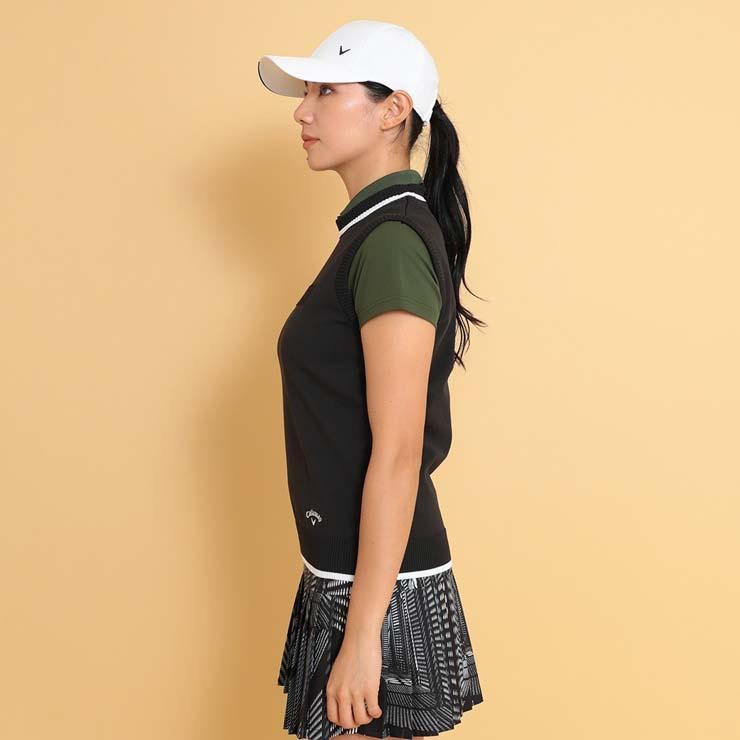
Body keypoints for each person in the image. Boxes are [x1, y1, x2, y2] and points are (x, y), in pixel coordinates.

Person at [258, 19, 487, 739]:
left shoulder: (389, 242)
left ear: (394, 110)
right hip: (350, 576)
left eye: (326, 92)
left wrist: (363, 637)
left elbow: (399, 451)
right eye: (306, 93)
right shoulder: (372, 234)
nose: (303, 111)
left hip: (376, 592)